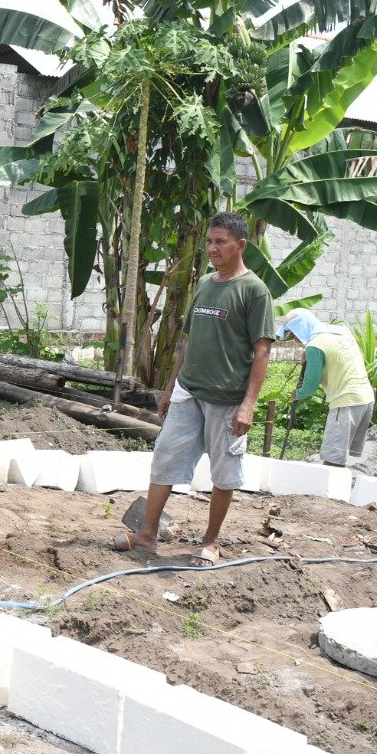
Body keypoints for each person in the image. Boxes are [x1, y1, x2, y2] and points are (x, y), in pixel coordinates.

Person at [113, 212, 274, 567]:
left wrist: (249, 404)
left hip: (227, 397)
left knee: (223, 471)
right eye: (210, 242)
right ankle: (147, 534)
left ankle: (211, 542)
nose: (213, 248)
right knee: (165, 457)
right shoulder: (204, 283)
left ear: (240, 245)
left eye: (221, 242)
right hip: (190, 392)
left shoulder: (254, 291)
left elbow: (262, 351)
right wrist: (171, 387)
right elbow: (188, 342)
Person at [276, 308, 375, 467]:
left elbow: (310, 385)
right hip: (366, 399)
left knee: (333, 460)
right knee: (346, 458)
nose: (295, 341)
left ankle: (330, 492)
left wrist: (298, 394)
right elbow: (337, 360)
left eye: (294, 335)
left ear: (300, 328)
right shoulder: (341, 331)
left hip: (345, 402)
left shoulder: (315, 345)